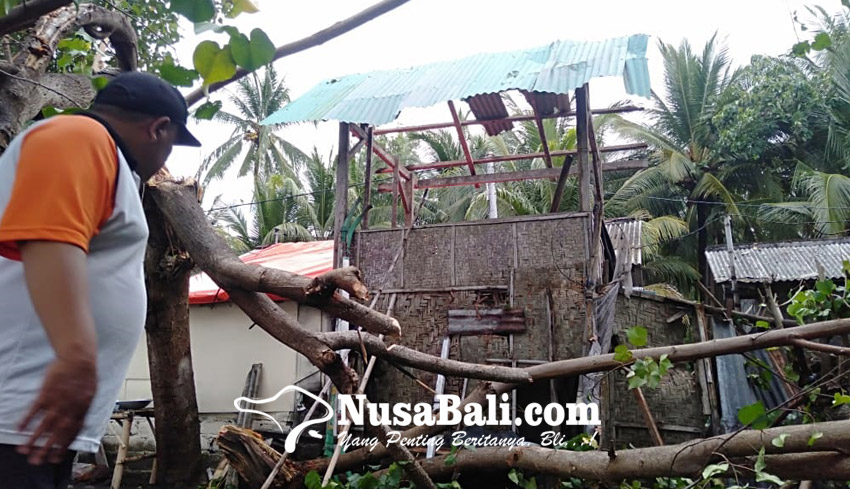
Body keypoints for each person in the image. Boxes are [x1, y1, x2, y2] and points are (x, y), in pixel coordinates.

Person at [0, 71, 201, 488]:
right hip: (12, 412)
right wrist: (75, 355)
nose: (166, 159)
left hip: (32, 419)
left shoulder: (106, 160)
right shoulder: (79, 136)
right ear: (159, 128)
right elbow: (47, 237)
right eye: (171, 143)